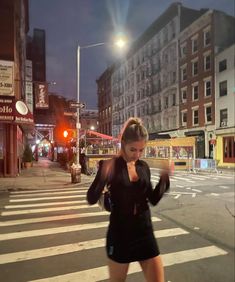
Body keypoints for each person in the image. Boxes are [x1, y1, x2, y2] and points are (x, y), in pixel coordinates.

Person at [87, 117, 170, 282]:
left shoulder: (143, 167)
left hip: (144, 232)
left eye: (141, 150)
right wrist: (103, 176)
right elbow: (91, 198)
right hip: (120, 235)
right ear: (123, 143)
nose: (137, 155)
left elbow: (153, 199)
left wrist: (164, 179)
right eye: (133, 149)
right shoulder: (110, 165)